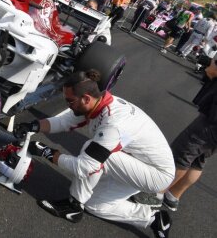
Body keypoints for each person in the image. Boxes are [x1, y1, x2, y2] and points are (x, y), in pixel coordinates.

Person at [13, 69, 175, 237]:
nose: (68, 105)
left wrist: (47, 152)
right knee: (94, 205)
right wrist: (33, 126)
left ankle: (73, 206)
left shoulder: (113, 124)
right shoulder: (97, 103)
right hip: (134, 163)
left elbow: (85, 167)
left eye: (70, 101)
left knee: (92, 154)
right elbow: (64, 121)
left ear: (86, 98)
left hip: (156, 174)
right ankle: (155, 219)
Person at [162, 54, 217, 212]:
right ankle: (173, 196)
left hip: (211, 122)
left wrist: (211, 65)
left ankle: (155, 194)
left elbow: (213, 71)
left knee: (182, 153)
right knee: (198, 160)